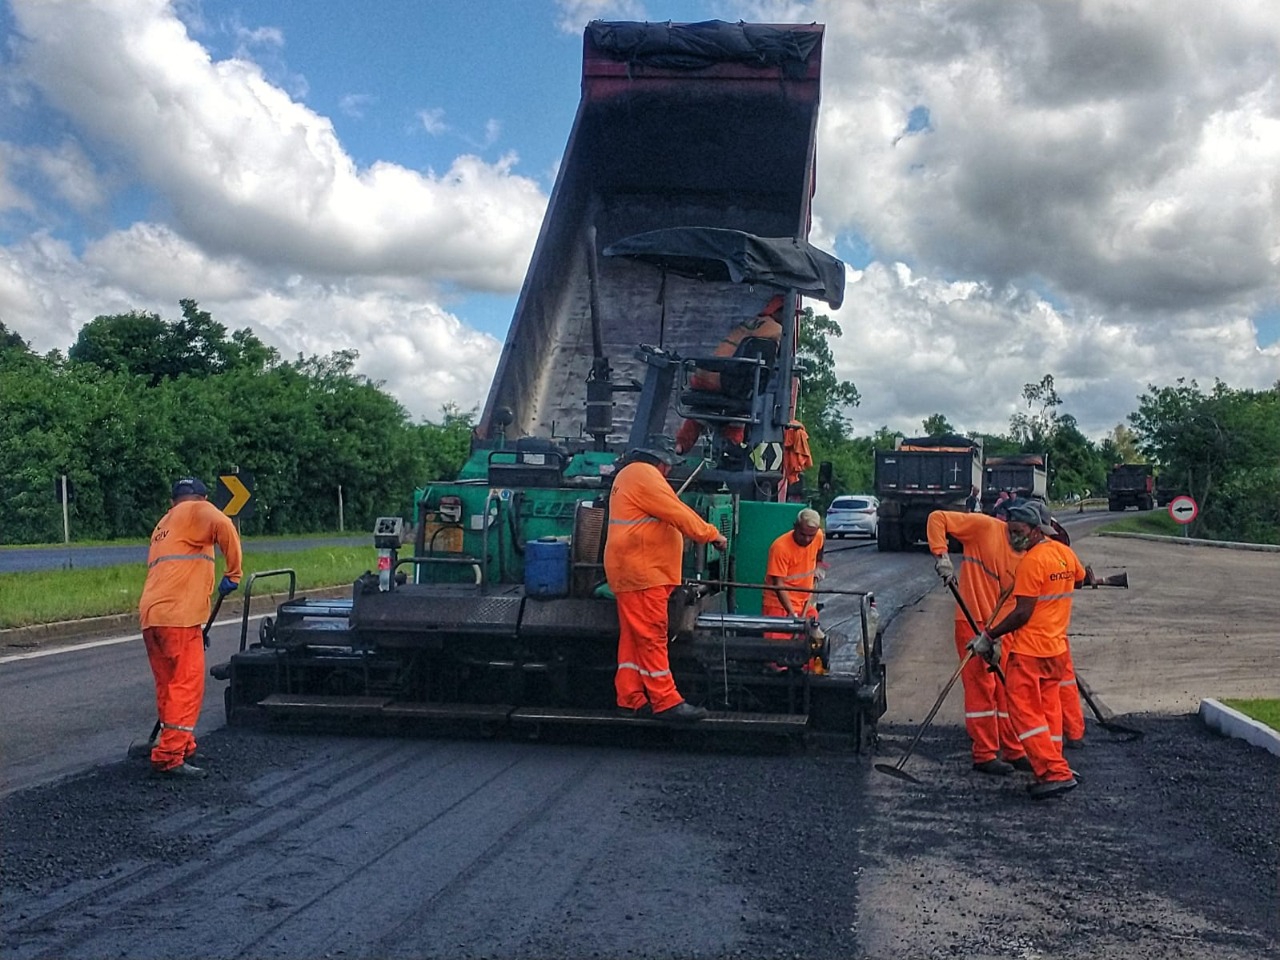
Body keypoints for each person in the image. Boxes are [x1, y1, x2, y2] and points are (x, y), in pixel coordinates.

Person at [968, 499, 1090, 800]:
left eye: (1019, 531)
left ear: (1036, 530)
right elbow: (1081, 578)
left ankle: (1054, 773)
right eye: (1010, 531)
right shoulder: (1064, 553)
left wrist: (989, 635)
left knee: (1024, 713)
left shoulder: (1031, 563)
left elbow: (1022, 613)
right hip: (1056, 650)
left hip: (1030, 653)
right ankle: (1055, 763)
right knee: (1049, 712)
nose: (1013, 537)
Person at [604, 436, 728, 721]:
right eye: (669, 465)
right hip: (643, 573)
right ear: (661, 461)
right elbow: (677, 513)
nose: (669, 471)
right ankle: (666, 701)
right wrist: (712, 535)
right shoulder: (644, 476)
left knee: (634, 638)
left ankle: (630, 698)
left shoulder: (630, 474)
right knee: (652, 637)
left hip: (632, 571)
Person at [137, 477, 242, 779]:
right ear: (202, 497)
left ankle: (179, 743)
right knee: (186, 685)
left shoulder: (163, 524)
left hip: (152, 615)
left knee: (168, 684)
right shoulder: (199, 510)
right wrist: (233, 573)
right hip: (178, 616)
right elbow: (224, 526)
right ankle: (169, 756)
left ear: (172, 501)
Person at [926, 506, 1028, 776]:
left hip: (1002, 629)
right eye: (1015, 530)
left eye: (1026, 533)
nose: (1019, 538)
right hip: (972, 620)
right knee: (982, 687)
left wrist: (999, 638)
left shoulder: (1031, 554)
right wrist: (941, 555)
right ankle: (984, 754)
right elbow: (937, 518)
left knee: (1008, 688)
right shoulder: (984, 527)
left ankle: (1014, 750)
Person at [674, 294, 786, 455]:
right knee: (740, 407)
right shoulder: (776, 330)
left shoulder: (751, 323)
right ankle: (731, 449)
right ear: (778, 311)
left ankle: (678, 448)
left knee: (702, 412)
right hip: (729, 383)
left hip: (712, 377)